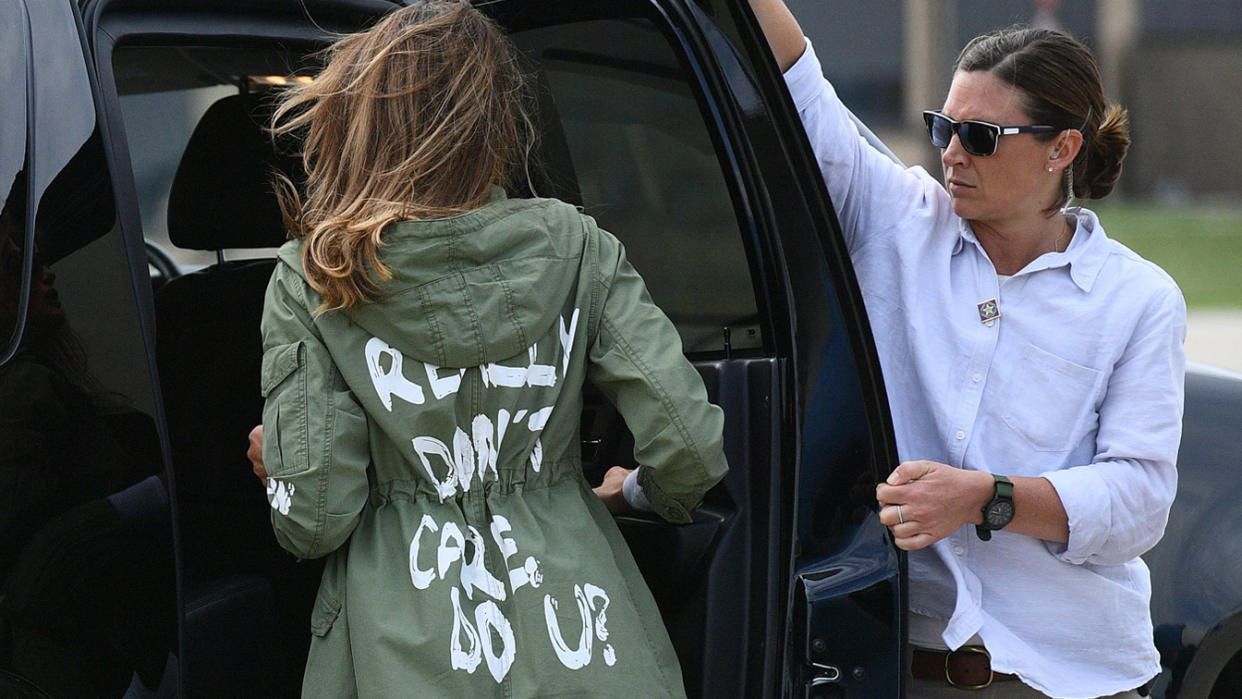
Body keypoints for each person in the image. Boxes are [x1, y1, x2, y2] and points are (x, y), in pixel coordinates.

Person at [249, 2, 727, 697]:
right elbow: (690, 450)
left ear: (359, 121)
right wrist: (638, 492)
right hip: (589, 642)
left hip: (400, 655)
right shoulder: (578, 246)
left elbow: (315, 518)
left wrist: (284, 465)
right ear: (498, 120)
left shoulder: (313, 276)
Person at [748, 2, 1184, 698]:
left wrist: (986, 498)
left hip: (1071, 677)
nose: (950, 151)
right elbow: (798, 80)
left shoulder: (1138, 298)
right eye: (943, 126)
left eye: (979, 135)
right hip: (903, 668)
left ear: (1061, 149)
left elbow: (1139, 501)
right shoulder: (895, 217)